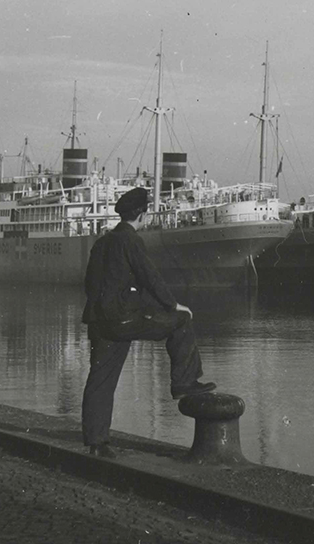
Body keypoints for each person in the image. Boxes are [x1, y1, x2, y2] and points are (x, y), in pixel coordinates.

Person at [81, 187, 215, 457]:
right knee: (181, 321)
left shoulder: (102, 242)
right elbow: (149, 276)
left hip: (99, 320)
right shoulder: (131, 241)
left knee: (100, 379)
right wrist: (172, 305)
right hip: (123, 319)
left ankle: (97, 443)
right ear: (142, 215)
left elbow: (89, 283)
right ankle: (184, 383)